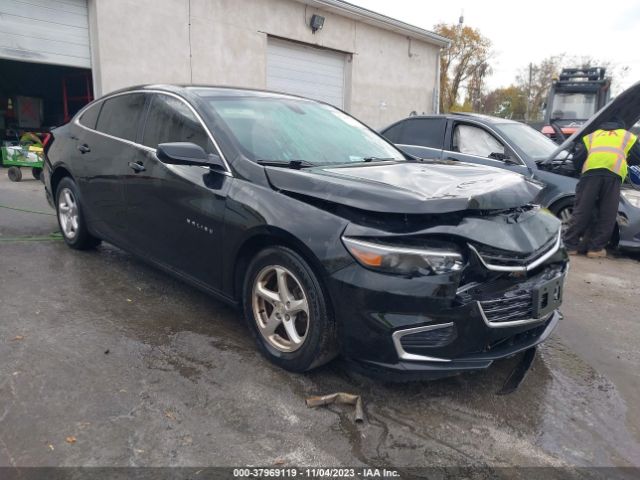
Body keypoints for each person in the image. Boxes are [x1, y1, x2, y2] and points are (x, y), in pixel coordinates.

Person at [564, 118, 640, 258]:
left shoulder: (592, 136)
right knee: (607, 213)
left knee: (582, 209)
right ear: (622, 127)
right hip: (613, 175)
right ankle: (595, 249)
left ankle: (570, 246)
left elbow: (577, 159)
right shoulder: (627, 136)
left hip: (590, 175)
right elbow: (638, 157)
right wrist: (624, 156)